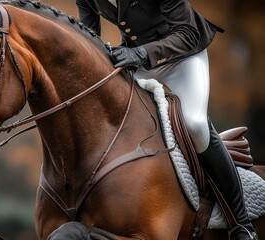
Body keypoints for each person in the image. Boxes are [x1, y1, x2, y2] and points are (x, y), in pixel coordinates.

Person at [76, 0, 258, 239]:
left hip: (183, 57)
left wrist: (140, 53)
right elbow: (88, 37)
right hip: (136, 59)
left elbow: (188, 33)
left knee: (195, 124)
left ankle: (241, 222)